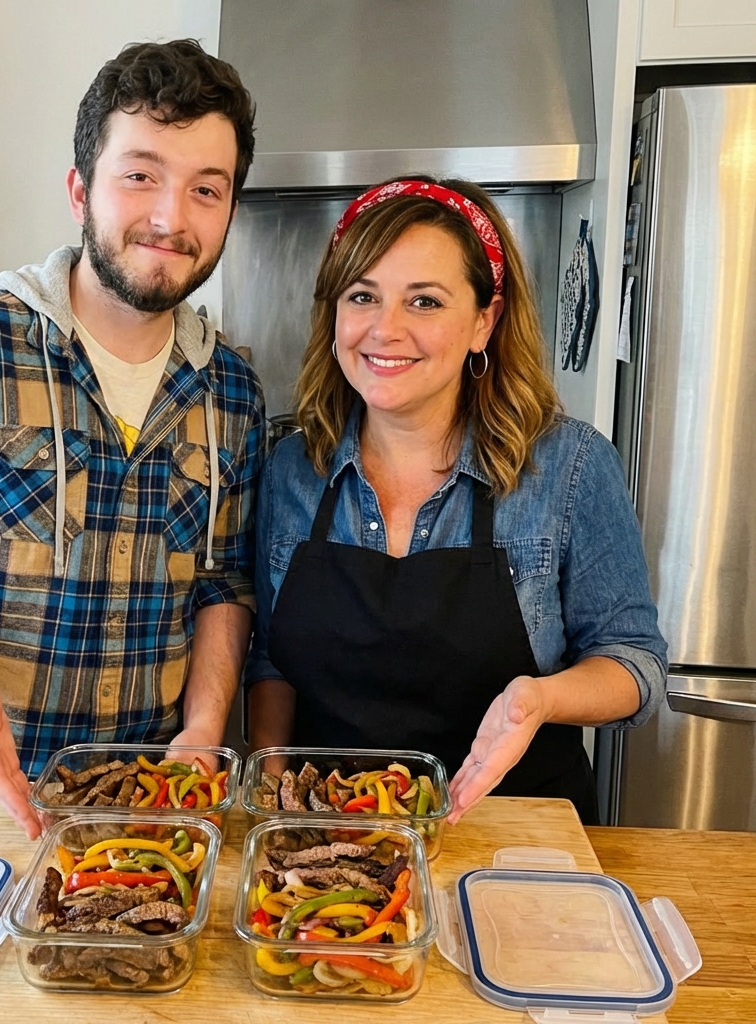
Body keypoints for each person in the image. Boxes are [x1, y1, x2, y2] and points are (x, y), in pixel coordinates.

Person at [0, 40, 263, 837]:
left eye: (207, 188)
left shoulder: (231, 388)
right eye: (140, 175)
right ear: (79, 189)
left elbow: (222, 584)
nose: (171, 217)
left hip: (150, 804)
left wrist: (203, 729)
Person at [245, 177, 667, 826]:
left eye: (424, 301)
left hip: (516, 837)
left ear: (483, 321)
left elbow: (633, 663)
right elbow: (273, 654)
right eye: (363, 296)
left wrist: (539, 699)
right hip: (329, 841)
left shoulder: (569, 467)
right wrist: (272, 775)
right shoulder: (291, 470)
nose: (385, 330)